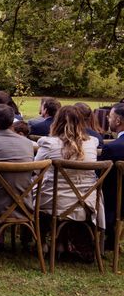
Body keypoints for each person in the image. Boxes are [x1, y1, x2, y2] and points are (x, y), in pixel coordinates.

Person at [35, 105, 100, 259]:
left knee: (35, 189)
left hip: (54, 202)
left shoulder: (49, 143)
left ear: (56, 122)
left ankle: (42, 242)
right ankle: (61, 243)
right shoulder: (92, 143)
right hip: (86, 202)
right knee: (60, 192)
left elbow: (36, 169)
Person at [99, 103, 124, 250]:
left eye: (110, 117)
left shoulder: (113, 148)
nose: (108, 120)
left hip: (115, 204)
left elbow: (99, 177)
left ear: (118, 121)